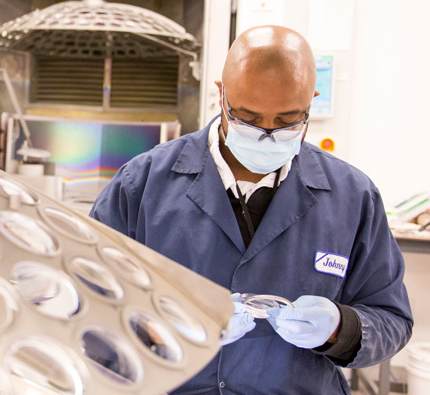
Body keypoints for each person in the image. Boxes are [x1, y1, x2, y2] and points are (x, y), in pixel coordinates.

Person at [90, 25, 413, 394]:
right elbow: (86, 299)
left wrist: (341, 328)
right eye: (248, 117)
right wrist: (161, 327)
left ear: (311, 102)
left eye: (288, 120)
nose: (267, 134)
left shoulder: (352, 197)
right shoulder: (142, 185)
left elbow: (391, 318)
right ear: (221, 95)